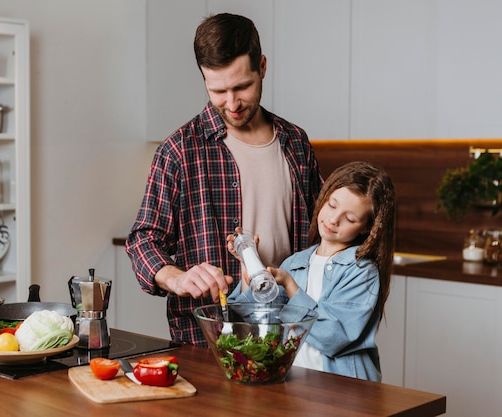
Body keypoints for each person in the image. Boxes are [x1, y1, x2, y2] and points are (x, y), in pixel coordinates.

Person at [126, 13, 323, 346]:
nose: (231, 104)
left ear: (262, 66)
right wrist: (176, 278)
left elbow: (322, 234)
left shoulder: (295, 141)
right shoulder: (179, 150)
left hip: (291, 333)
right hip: (210, 340)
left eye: (242, 86)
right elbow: (143, 240)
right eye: (218, 90)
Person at [226, 161, 396, 382]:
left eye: (350, 218)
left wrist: (291, 287)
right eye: (332, 205)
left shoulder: (361, 272)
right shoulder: (295, 263)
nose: (334, 220)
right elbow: (255, 319)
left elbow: (334, 337)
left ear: (366, 228)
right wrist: (249, 265)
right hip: (295, 385)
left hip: (344, 390)